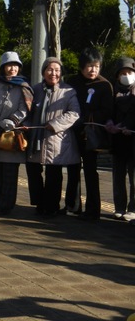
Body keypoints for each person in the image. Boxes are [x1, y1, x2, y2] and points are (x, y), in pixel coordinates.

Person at [26, 57, 81, 217]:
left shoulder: (68, 91)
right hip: (36, 138)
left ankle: (51, 206)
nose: (53, 73)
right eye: (50, 69)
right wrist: (28, 125)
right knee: (33, 172)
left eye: (57, 70)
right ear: (43, 72)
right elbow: (28, 111)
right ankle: (39, 203)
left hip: (57, 140)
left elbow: (74, 113)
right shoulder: (35, 89)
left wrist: (55, 124)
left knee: (54, 176)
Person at [0, 51, 33, 215]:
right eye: (9, 65)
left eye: (15, 66)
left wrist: (12, 121)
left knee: (10, 174)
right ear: (2, 67)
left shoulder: (24, 86)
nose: (12, 69)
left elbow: (25, 108)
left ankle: (7, 206)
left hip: (12, 136)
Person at [67, 47, 113, 220]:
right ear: (81, 66)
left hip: (92, 135)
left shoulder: (104, 85)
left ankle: (93, 210)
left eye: (96, 66)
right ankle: (73, 205)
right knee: (72, 168)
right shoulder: (72, 83)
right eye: (89, 66)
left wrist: (87, 117)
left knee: (90, 172)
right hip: (72, 132)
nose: (93, 70)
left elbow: (108, 110)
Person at [105, 56, 135, 221]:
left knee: (134, 177)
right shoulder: (112, 92)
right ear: (117, 76)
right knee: (118, 176)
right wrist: (110, 124)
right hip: (117, 140)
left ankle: (133, 208)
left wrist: (130, 127)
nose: (126, 75)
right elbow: (108, 113)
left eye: (130, 72)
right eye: (122, 73)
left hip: (132, 140)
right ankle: (119, 206)